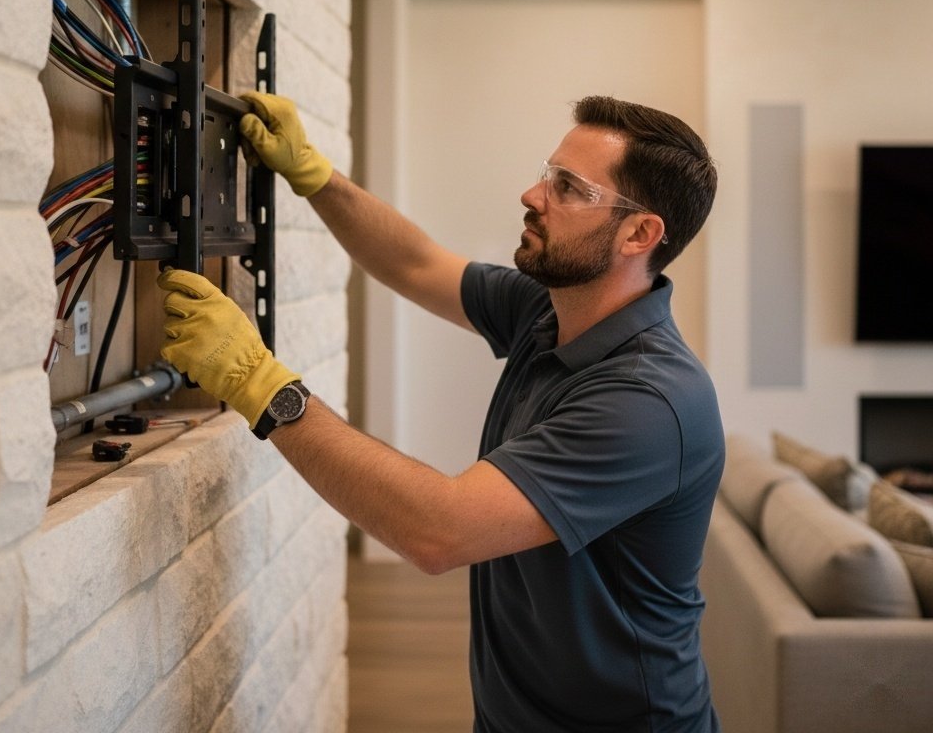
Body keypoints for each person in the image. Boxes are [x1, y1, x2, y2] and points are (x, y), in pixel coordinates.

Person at [157, 92, 724, 733]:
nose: (532, 194)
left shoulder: (646, 402)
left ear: (640, 234)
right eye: (548, 173)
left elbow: (440, 530)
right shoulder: (551, 310)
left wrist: (259, 383)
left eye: (568, 188)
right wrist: (314, 175)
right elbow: (417, 263)